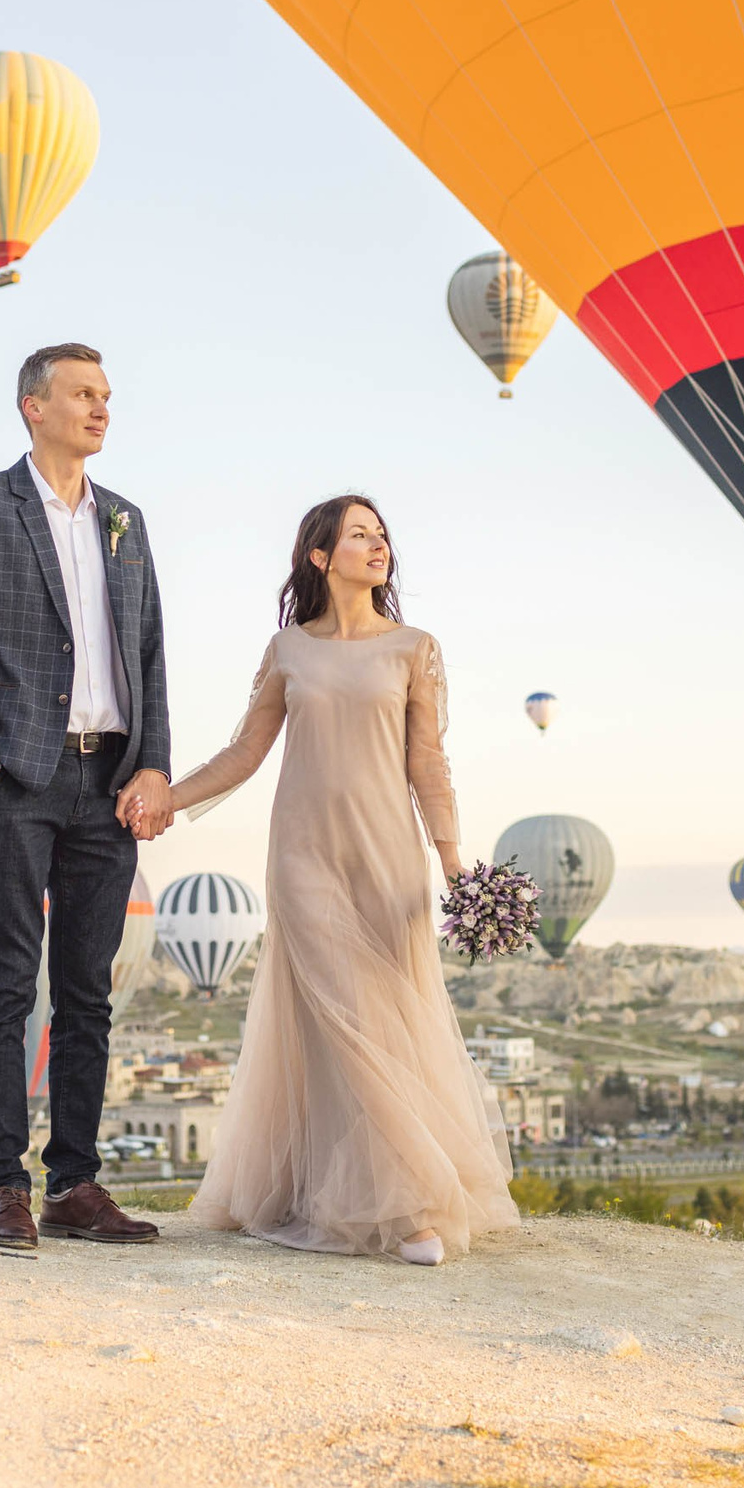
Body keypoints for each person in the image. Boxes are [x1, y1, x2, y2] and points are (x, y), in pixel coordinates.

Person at [166, 495, 517, 1267]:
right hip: (302, 857)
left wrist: (454, 860)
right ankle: (411, 1207)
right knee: (340, 1017)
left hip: (389, 854)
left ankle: (345, 1192)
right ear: (321, 556)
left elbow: (428, 762)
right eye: (359, 535)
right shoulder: (289, 649)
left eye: (383, 533)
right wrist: (169, 796)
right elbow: (243, 755)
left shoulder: (413, 648)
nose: (377, 544)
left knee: (386, 1019)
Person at [0, 342, 173, 1253]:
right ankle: (3, 1189)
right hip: (20, 776)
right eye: (82, 393)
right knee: (4, 985)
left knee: (87, 992)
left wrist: (154, 766)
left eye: (106, 394)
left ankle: (74, 1182)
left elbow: (146, 652)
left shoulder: (126, 520)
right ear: (33, 406)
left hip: (109, 779)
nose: (101, 407)